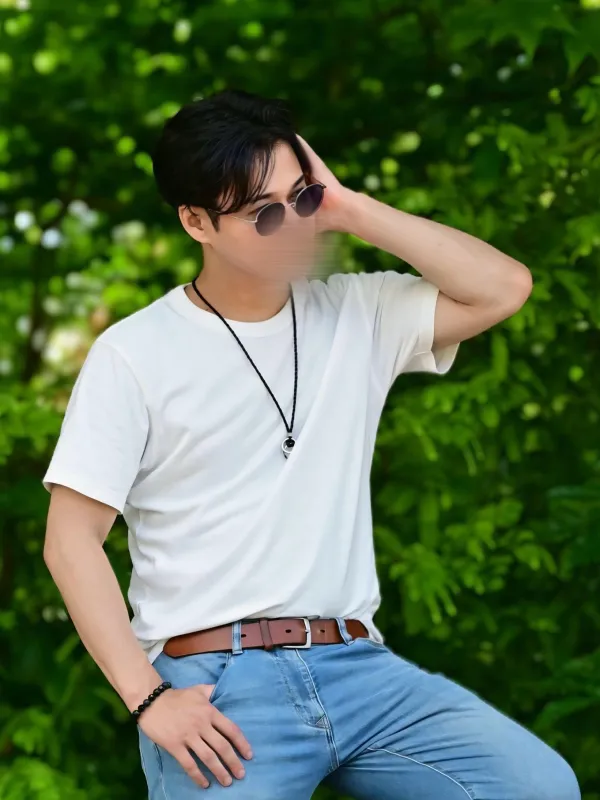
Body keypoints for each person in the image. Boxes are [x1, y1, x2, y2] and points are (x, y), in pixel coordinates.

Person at [42, 89, 579, 800]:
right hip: (219, 683)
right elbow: (70, 541)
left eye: (302, 198)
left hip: (360, 668)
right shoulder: (134, 353)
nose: (295, 226)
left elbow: (503, 288)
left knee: (537, 786)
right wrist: (149, 698)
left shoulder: (359, 311)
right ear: (196, 221)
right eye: (264, 214)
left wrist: (350, 207)